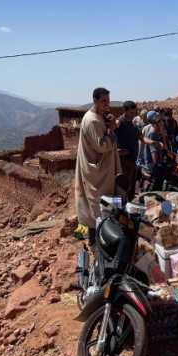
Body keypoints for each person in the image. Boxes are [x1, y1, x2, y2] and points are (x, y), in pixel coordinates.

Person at [75, 87, 121, 247]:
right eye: (103, 101)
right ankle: (96, 243)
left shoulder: (99, 117)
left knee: (103, 204)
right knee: (97, 206)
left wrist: (109, 123)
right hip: (97, 173)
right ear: (95, 100)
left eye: (108, 101)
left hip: (103, 170)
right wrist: (112, 130)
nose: (107, 105)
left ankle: (101, 239)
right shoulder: (92, 120)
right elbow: (103, 146)